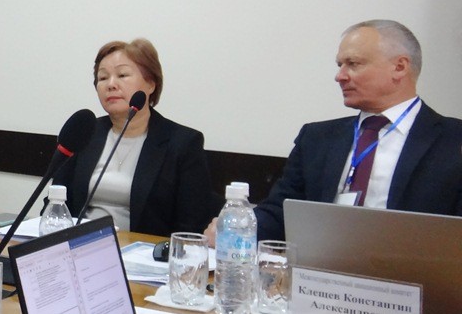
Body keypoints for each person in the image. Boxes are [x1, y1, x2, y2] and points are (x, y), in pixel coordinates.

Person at [211, 20, 462, 242]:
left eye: (353, 64)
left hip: (414, 275)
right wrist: (237, 227)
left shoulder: (453, 141)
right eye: (340, 65)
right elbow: (281, 212)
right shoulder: (317, 138)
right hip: (321, 274)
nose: (340, 76)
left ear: (399, 67)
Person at [52, 39, 218, 235]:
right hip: (83, 246)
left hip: (146, 251)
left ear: (151, 84)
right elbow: (56, 204)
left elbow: (191, 226)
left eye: (122, 75)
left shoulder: (183, 143)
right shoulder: (85, 133)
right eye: (103, 77)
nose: (111, 84)